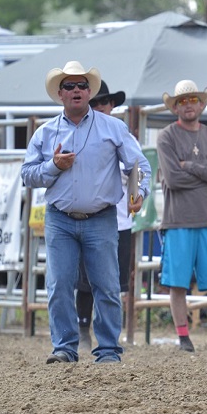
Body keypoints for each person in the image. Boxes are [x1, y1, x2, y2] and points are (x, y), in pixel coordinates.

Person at [21, 61, 150, 364]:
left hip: (101, 217)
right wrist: (54, 166)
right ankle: (65, 347)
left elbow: (139, 166)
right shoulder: (45, 133)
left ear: (89, 92)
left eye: (81, 85)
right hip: (60, 218)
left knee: (106, 284)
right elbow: (27, 175)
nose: (76, 90)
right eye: (69, 86)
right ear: (60, 93)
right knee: (59, 284)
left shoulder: (114, 128)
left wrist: (139, 192)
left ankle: (107, 350)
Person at [157, 79, 207, 352]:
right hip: (178, 218)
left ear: (202, 104)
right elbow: (173, 178)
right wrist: (206, 173)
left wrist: (190, 166)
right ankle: (183, 338)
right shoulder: (166, 136)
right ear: (175, 108)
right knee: (176, 281)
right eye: (182, 101)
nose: (188, 105)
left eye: (192, 100)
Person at [75, 80, 134, 351]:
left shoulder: (121, 134)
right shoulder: (83, 134)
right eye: (96, 102)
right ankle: (84, 326)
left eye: (105, 101)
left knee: (115, 282)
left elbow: (138, 169)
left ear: (112, 105)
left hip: (120, 218)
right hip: (96, 215)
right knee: (87, 280)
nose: (101, 106)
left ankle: (107, 332)